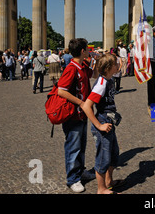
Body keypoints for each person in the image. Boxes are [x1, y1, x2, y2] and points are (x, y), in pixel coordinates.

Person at [80, 53, 125, 194]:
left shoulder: (109, 78)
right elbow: (86, 106)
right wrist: (99, 125)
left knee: (113, 154)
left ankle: (108, 181)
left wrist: (120, 64)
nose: (118, 65)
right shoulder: (101, 83)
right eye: (116, 63)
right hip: (102, 123)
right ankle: (101, 189)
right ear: (110, 67)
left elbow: (119, 68)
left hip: (109, 122)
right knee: (103, 157)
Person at [57, 38, 94, 193]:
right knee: (73, 147)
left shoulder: (82, 65)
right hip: (73, 115)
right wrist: (81, 103)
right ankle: (72, 179)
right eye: (87, 49)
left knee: (81, 146)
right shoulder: (71, 68)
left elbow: (93, 75)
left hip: (82, 115)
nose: (89, 51)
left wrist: (94, 61)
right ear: (82, 51)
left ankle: (81, 171)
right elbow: (61, 90)